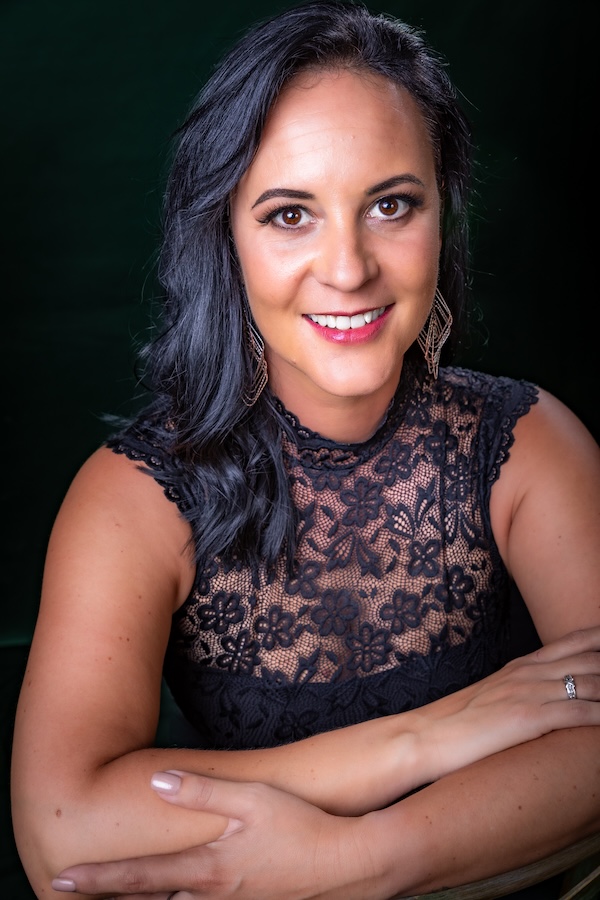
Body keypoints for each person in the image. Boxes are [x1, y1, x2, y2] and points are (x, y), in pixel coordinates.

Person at [10, 1, 600, 898]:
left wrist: (357, 860)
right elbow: (65, 834)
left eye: (391, 205)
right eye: (290, 215)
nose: (349, 268)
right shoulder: (133, 497)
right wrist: (433, 735)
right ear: (226, 238)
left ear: (443, 211)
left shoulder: (528, 443)